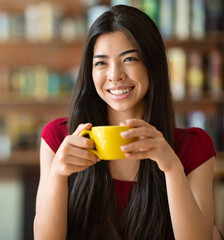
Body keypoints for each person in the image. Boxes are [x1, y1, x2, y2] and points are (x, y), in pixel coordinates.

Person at [33, 5, 217, 240]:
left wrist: (171, 166)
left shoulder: (194, 147)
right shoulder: (58, 139)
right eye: (101, 63)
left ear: (152, 64)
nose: (114, 75)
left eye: (129, 59)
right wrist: (59, 173)